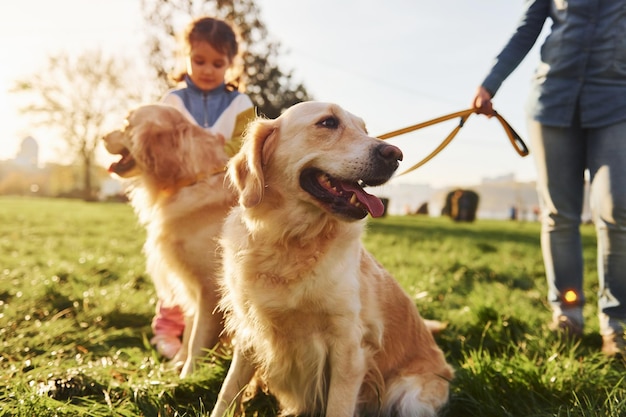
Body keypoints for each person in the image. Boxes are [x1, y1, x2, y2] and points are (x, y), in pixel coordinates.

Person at [472, 0, 626, 357]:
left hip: (617, 103)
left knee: (617, 208)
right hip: (552, 100)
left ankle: (616, 323)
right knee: (559, 214)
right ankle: (568, 312)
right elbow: (527, 29)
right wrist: (490, 83)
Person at [150, 16, 255, 359]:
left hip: (223, 198)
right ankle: (167, 329)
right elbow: (163, 149)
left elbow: (243, 147)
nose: (208, 70)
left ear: (231, 63)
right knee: (176, 265)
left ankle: (215, 333)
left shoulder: (240, 105)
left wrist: (216, 150)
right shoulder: (173, 101)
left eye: (217, 63)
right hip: (180, 198)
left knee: (210, 270)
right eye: (199, 61)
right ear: (185, 56)